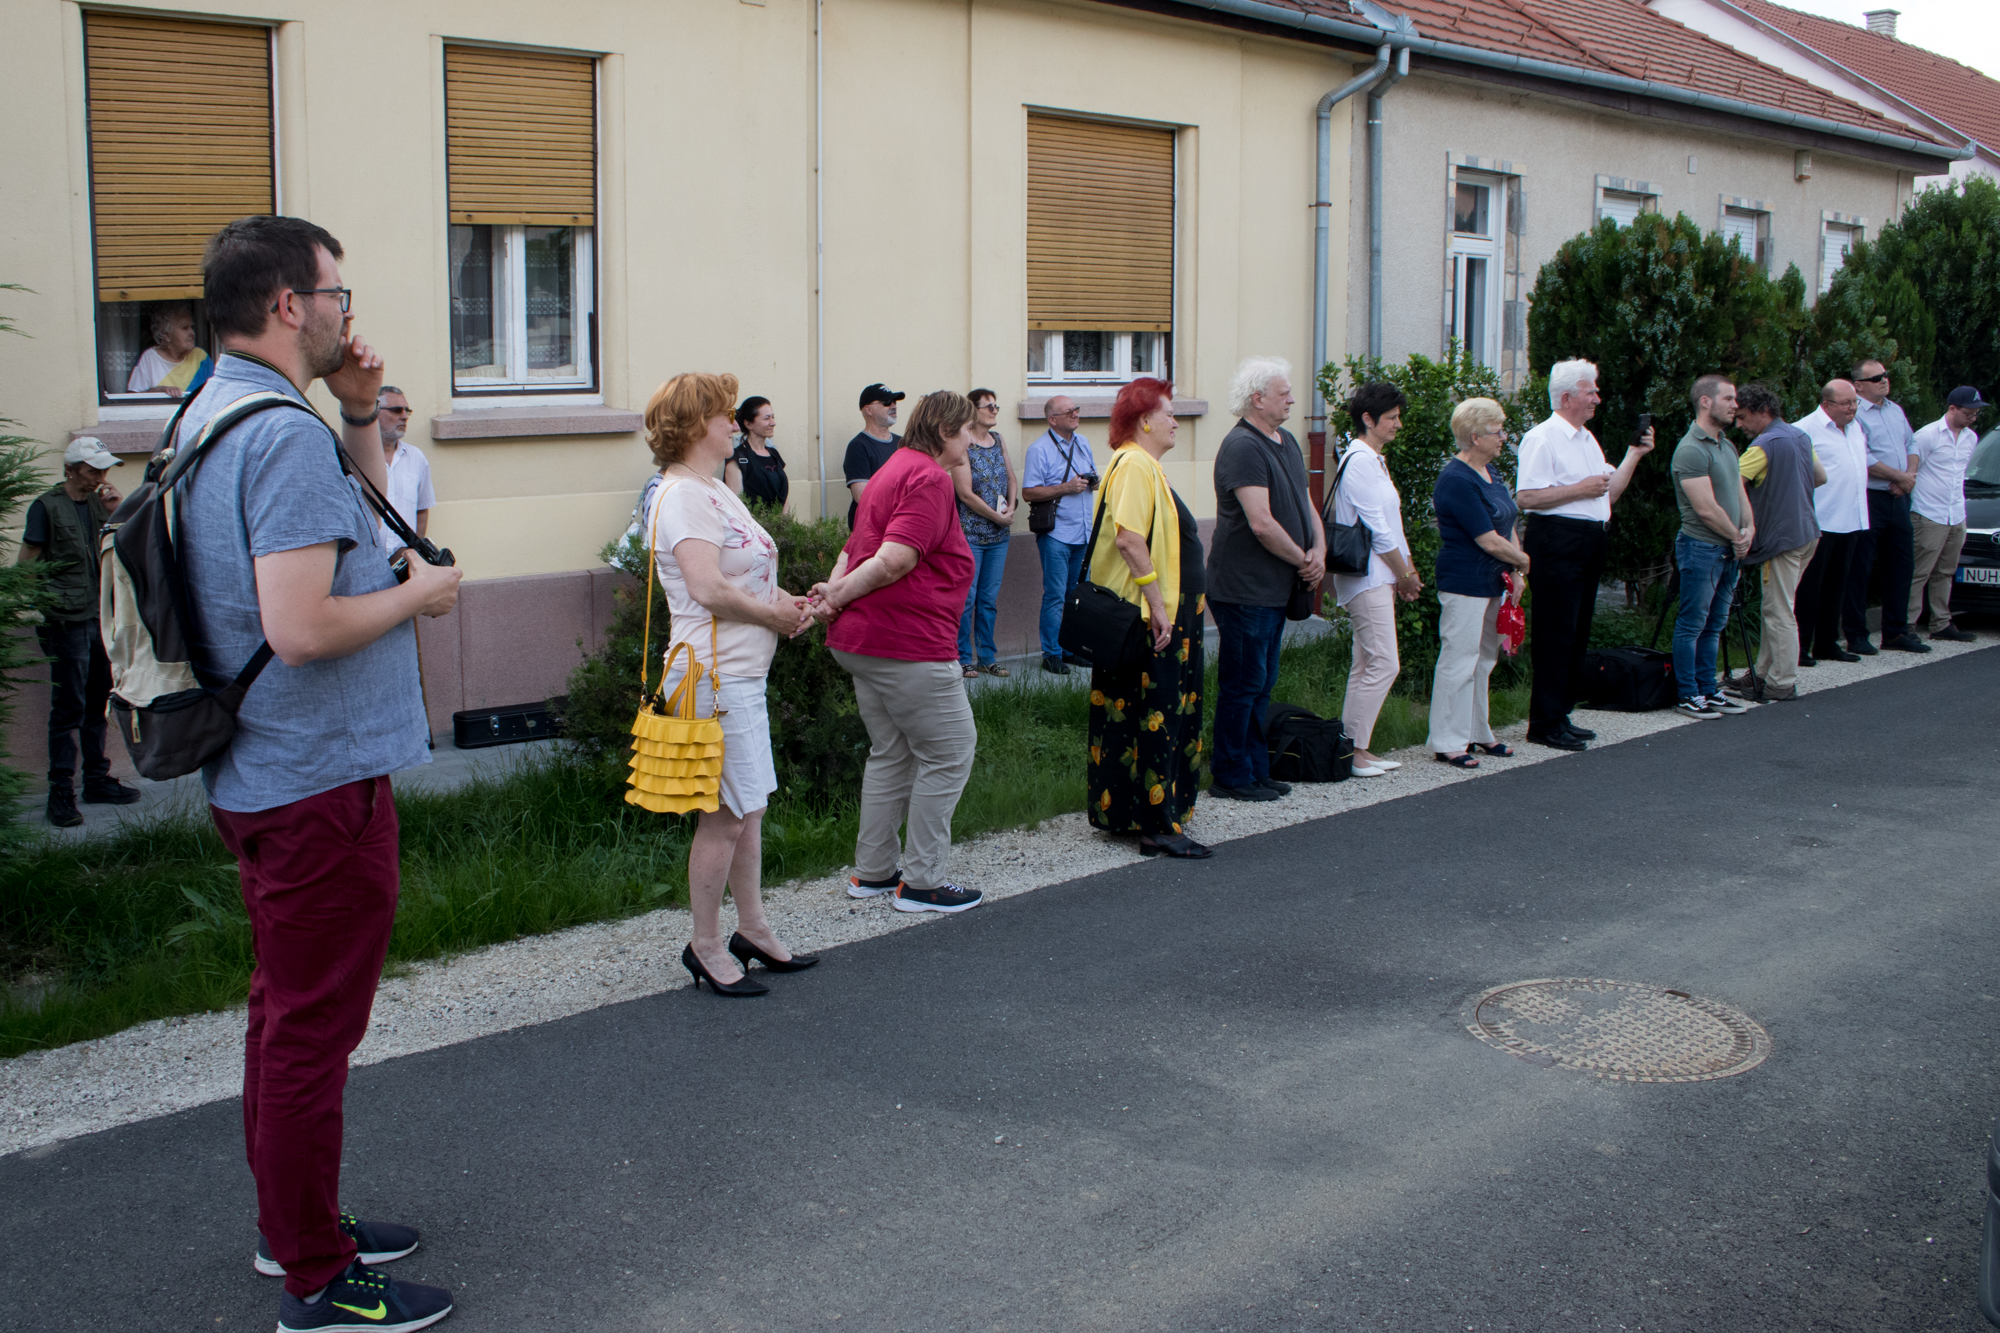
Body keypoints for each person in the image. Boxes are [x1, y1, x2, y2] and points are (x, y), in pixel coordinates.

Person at [177, 215, 461, 1333]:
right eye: (337, 292)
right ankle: (314, 1273)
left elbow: (349, 536)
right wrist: (421, 594)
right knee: (310, 1033)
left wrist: (357, 412)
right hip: (316, 782)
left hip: (266, 771)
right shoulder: (278, 437)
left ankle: (292, 1224)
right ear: (291, 304)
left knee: (283, 1015)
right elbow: (300, 626)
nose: (349, 310)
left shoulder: (219, 407)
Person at [642, 372, 819, 996]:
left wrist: (788, 603)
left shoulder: (713, 488)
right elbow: (707, 588)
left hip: (739, 672)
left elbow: (744, 575)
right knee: (725, 816)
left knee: (750, 808)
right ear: (698, 426)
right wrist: (773, 616)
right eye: (723, 415)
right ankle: (707, 944)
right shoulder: (683, 496)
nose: (732, 423)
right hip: (712, 676)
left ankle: (753, 930)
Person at [813, 390, 982, 914]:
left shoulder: (892, 468)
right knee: (950, 752)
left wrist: (833, 595)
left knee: (892, 753)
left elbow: (852, 548)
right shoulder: (929, 478)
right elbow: (893, 560)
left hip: (867, 640)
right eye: (967, 431)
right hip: (908, 642)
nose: (973, 441)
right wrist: (835, 597)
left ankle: (874, 873)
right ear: (946, 431)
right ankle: (923, 884)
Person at [1084, 378, 1211, 858]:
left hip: (1162, 610)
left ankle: (1134, 813)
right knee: (1158, 713)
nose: (1177, 421)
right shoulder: (1136, 464)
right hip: (1152, 614)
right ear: (1144, 421)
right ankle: (1157, 825)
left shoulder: (1141, 464)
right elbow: (1129, 540)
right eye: (1169, 413)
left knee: (1139, 713)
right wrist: (1159, 606)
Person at [1514, 358, 1654, 751]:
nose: (1597, 398)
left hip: (1589, 538)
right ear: (1566, 397)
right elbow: (1527, 497)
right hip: (1558, 539)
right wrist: (1580, 488)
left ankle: (1561, 713)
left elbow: (1607, 493)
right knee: (1556, 632)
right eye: (1590, 391)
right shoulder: (1542, 438)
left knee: (1576, 631)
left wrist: (1634, 454)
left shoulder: (1587, 439)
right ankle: (1544, 721)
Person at [1206, 357, 1325, 800]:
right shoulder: (1243, 446)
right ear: (1258, 399)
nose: (1292, 399)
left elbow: (1305, 502)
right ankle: (1230, 774)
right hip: (1245, 588)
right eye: (1283, 393)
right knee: (1243, 685)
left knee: (1262, 684)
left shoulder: (1285, 440)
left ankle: (1256, 768)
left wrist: (1320, 550)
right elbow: (1261, 523)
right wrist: (1303, 560)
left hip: (1275, 587)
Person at [16, 437, 139, 825]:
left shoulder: (101, 505)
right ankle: (61, 792)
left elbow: (127, 548)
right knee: (67, 709)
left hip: (101, 618)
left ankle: (97, 780)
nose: (100, 477)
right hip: (66, 621)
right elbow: (27, 565)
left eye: (103, 470)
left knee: (97, 703)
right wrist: (41, 607)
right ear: (70, 469)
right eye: (91, 470)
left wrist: (117, 511)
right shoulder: (46, 507)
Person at [1426, 398, 1528, 768]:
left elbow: (1507, 524)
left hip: (1494, 579)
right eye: (1497, 431)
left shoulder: (1491, 472)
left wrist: (1516, 570)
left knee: (1485, 658)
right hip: (1464, 580)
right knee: (1459, 659)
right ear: (1475, 437)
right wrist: (1523, 561)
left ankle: (1477, 731)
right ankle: (1447, 740)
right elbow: (1486, 539)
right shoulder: (1456, 479)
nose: (1503, 437)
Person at [1329, 382, 1415, 777]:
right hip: (1367, 577)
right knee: (1384, 663)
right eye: (1391, 418)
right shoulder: (1360, 460)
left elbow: (1393, 523)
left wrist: (1406, 569)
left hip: (1381, 575)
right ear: (1368, 419)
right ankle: (1355, 750)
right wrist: (1405, 574)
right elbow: (1377, 529)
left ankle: (1351, 748)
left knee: (1366, 664)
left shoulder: (1374, 460)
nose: (1398, 424)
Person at [1727, 383, 1824, 703]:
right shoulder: (1799, 436)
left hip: (1781, 538)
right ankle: (1763, 672)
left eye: (1743, 416)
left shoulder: (1763, 445)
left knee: (1778, 611)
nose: (1738, 424)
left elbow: (1731, 485)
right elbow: (1820, 476)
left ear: (1763, 411)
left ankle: (1781, 681)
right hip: (1807, 532)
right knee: (1779, 606)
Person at [1667, 376, 1754, 720]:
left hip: (1728, 549)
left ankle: (1708, 689)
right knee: (1693, 624)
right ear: (1705, 402)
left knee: (1715, 623)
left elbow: (1739, 492)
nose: (1736, 405)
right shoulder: (1691, 449)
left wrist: (1749, 528)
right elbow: (1704, 508)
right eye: (1728, 398)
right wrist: (1736, 536)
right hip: (1702, 548)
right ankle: (1688, 694)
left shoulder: (1726, 445)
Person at [1848, 359, 1928, 654]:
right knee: (1861, 567)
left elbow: (1912, 445)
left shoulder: (1895, 410)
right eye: (1876, 378)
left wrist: (1908, 477)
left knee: (1901, 564)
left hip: (1898, 496)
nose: (1884, 380)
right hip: (1870, 496)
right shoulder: (1854, 413)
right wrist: (1899, 477)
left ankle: (1895, 632)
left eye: (1885, 375)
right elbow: (1862, 455)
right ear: (1858, 386)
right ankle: (1856, 634)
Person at [1793, 379, 1869, 667]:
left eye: (1855, 402)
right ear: (1826, 404)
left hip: (1850, 518)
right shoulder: (1805, 429)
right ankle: (1800, 646)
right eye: (1846, 403)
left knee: (1837, 586)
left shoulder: (1855, 427)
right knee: (1809, 587)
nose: (1852, 408)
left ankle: (1827, 643)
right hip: (1820, 519)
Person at [1020, 395, 1096, 674]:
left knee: (1077, 596)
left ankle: (1071, 649)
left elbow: (1087, 477)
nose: (1075, 414)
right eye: (1069, 411)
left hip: (1083, 532)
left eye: (1076, 409)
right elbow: (1029, 492)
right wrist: (1066, 488)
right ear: (1052, 420)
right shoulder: (1039, 449)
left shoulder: (1083, 442)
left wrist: (1092, 482)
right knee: (1055, 595)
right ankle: (1051, 653)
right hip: (1057, 534)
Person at [1907, 386, 1988, 642]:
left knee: (1946, 571)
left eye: (1976, 413)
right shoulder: (1927, 435)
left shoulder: (1970, 438)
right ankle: (1906, 625)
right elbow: (1911, 471)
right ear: (1952, 409)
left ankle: (1941, 623)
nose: (1973, 417)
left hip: (1956, 512)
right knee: (1919, 571)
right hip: (1928, 513)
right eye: (1968, 412)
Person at [953, 388, 1018, 678]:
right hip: (971, 536)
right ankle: (962, 657)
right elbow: (965, 494)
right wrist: (997, 517)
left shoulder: (998, 439)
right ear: (972, 410)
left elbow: (1011, 477)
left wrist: (1011, 508)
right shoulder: (964, 442)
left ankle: (987, 657)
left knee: (988, 601)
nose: (994, 410)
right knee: (967, 600)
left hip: (998, 538)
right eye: (988, 406)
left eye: (996, 406)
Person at [374, 386, 433, 551]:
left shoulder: (416, 457)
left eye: (406, 411)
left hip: (403, 560)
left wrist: (415, 552)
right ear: (374, 412)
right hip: (367, 561)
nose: (405, 417)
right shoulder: (356, 458)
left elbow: (422, 509)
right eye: (396, 410)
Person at [843, 383, 903, 527]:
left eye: (894, 401)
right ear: (868, 409)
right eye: (886, 402)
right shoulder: (858, 446)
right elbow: (862, 496)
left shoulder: (903, 443)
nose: (893, 406)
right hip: (872, 528)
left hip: (900, 523)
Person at [126, 301, 210, 397]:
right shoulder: (150, 357)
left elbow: (216, 392)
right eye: (185, 328)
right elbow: (132, 397)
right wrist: (157, 391)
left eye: (192, 327)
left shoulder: (201, 356)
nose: (192, 333)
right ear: (167, 335)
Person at [725, 396, 789, 509]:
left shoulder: (774, 454)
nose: (773, 423)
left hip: (778, 520)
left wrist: (785, 519)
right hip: (752, 519)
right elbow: (736, 506)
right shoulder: (738, 458)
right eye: (766, 418)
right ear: (748, 424)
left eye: (773, 417)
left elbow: (784, 499)